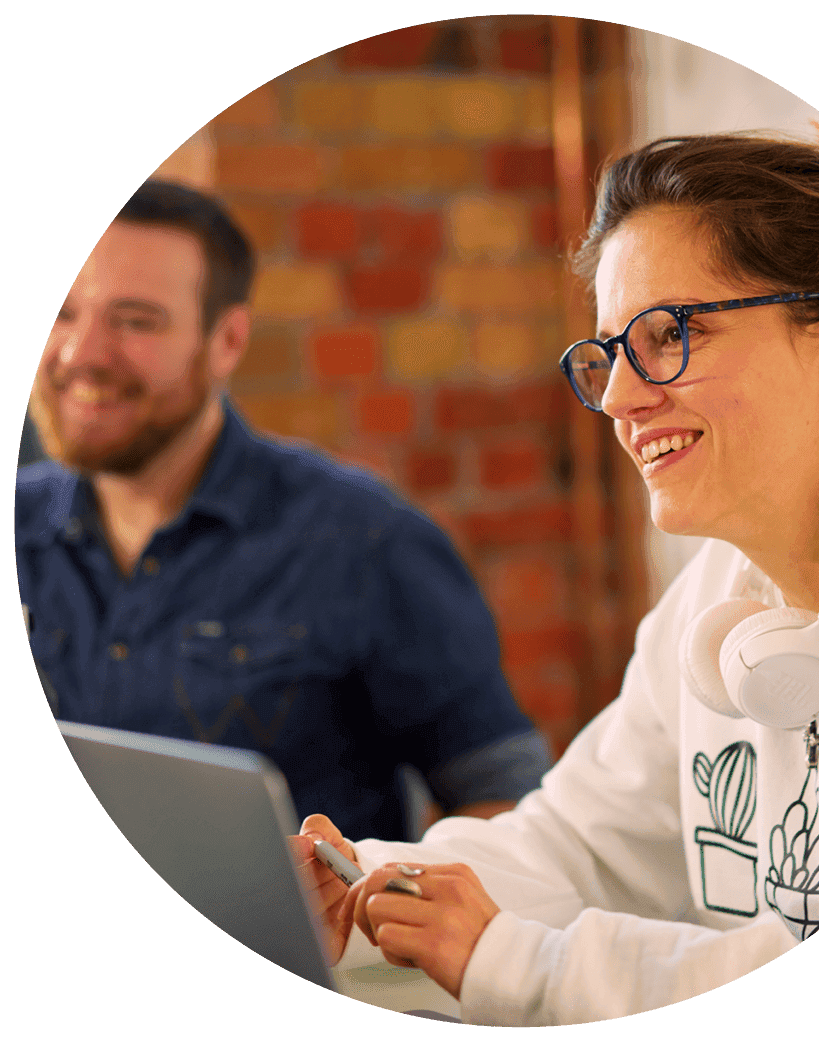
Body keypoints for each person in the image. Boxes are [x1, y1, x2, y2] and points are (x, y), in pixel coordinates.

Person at [291, 133, 819, 1024]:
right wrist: (362, 887)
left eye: (673, 334)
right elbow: (573, 848)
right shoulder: (717, 596)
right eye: (610, 354)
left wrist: (522, 965)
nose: (619, 399)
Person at [15, 179, 551, 843]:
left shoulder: (365, 540)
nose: (81, 354)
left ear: (228, 341)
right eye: (60, 312)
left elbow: (509, 803)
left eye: (136, 321)